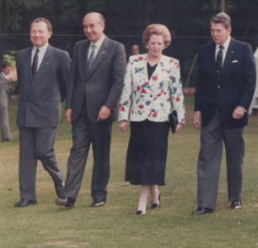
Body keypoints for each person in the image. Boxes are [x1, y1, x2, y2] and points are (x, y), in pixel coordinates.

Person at [57, 12, 126, 208]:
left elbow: (118, 81)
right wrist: (69, 105)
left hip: (101, 111)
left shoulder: (115, 48)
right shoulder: (79, 47)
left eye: (92, 26)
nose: (88, 30)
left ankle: (99, 195)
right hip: (79, 110)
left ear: (102, 26)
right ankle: (68, 195)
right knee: (77, 151)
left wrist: (108, 106)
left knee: (101, 154)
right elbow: (73, 79)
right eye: (85, 26)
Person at [192, 12, 256, 215]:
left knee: (234, 157)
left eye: (218, 31)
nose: (214, 35)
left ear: (229, 30)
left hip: (234, 114)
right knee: (207, 157)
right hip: (210, 113)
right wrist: (198, 109)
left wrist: (242, 106)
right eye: (212, 31)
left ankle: (235, 197)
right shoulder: (204, 51)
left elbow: (249, 82)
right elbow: (200, 83)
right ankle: (205, 204)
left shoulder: (243, 50)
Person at [118, 24, 185, 215]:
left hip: (160, 119)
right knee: (142, 157)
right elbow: (126, 90)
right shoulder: (134, 61)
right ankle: (155, 192)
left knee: (153, 158)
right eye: (152, 43)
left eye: (160, 43)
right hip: (139, 118)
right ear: (146, 43)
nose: (156, 47)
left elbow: (177, 92)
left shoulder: (172, 64)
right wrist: (123, 116)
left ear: (165, 44)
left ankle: (142, 200)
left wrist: (180, 118)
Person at [14, 18, 70, 207]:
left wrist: (57, 103)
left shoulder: (60, 55)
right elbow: (22, 83)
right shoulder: (21, 55)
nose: (37, 35)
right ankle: (27, 196)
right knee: (27, 155)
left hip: (48, 112)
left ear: (49, 33)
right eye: (33, 32)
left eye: (40, 31)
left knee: (44, 151)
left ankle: (61, 183)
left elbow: (66, 85)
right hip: (26, 112)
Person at [0, 62, 13, 142]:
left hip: (3, 102)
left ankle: (6, 136)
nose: (9, 70)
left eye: (10, 69)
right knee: (4, 119)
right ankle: (6, 137)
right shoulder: (2, 77)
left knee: (4, 119)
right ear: (3, 69)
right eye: (7, 68)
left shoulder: (4, 78)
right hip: (1, 103)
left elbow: (6, 90)